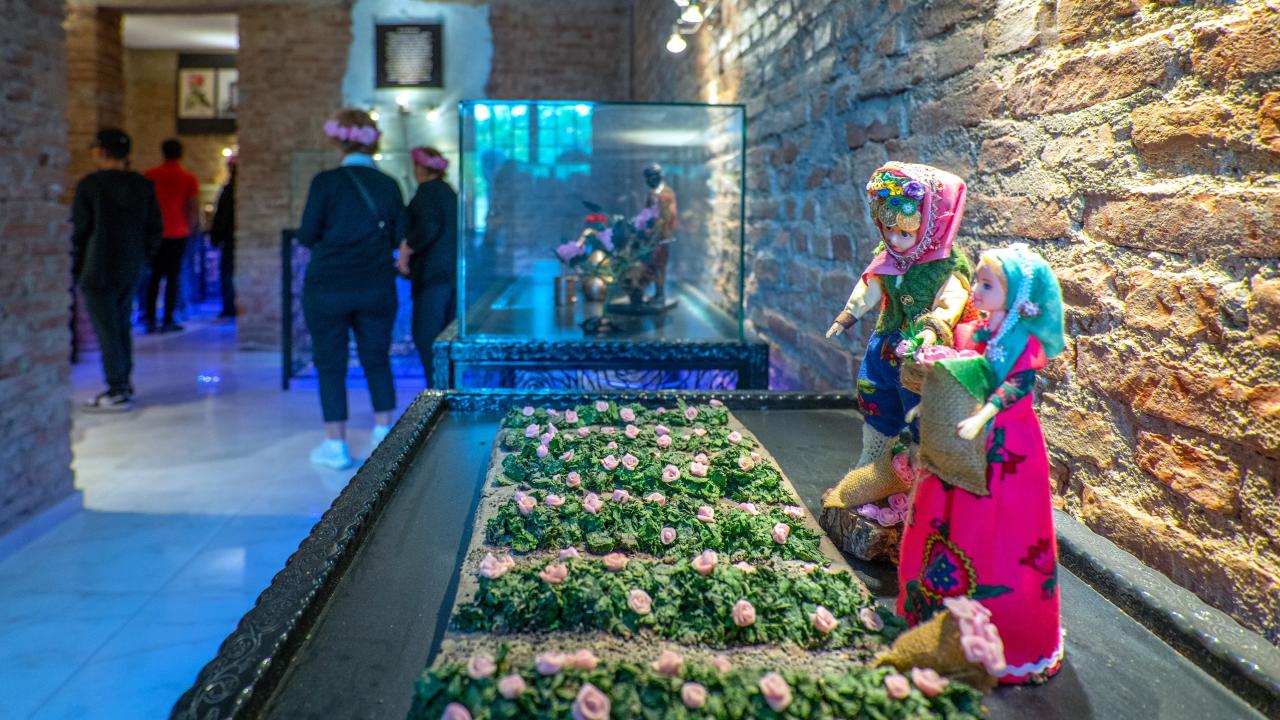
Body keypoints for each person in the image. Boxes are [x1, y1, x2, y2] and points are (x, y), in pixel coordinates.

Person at [887, 244, 1066, 685]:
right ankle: (932, 619)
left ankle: (1001, 635)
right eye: (979, 283)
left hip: (1005, 444)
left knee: (999, 529)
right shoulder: (980, 331)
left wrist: (984, 414)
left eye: (987, 285)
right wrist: (936, 376)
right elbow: (967, 368)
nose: (977, 291)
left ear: (1017, 295)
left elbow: (1016, 386)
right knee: (940, 505)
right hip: (962, 434)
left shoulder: (1021, 342)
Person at [821, 162, 972, 510]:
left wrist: (933, 329)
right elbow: (871, 285)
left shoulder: (946, 265)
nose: (892, 239)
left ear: (933, 224)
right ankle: (874, 459)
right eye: (887, 230)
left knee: (917, 408)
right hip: (887, 340)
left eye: (903, 233)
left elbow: (951, 301)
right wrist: (849, 314)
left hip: (919, 352)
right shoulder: (888, 256)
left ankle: (918, 476)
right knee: (875, 392)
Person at [296, 109, 407, 469]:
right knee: (377, 358)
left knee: (331, 364)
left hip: (328, 287)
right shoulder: (389, 184)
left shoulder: (325, 182)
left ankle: (336, 445)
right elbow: (399, 234)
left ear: (338, 139)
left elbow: (307, 234)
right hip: (376, 285)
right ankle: (384, 433)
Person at [71, 128, 163, 411]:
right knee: (121, 326)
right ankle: (123, 383)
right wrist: (142, 259)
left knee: (107, 330)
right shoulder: (143, 186)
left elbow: (80, 230)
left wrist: (75, 266)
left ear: (100, 151)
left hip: (96, 266)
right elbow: (154, 229)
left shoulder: (90, 185)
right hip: (130, 266)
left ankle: (117, 388)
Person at [397, 146, 457, 386]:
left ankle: (437, 395)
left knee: (426, 338)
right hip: (451, 277)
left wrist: (407, 248)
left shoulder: (427, 192)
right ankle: (445, 391)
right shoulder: (448, 192)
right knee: (444, 340)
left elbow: (428, 227)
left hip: (432, 277)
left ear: (420, 168)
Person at [143, 138, 200, 332]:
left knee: (154, 277)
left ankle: (150, 319)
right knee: (173, 277)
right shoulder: (188, 178)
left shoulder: (151, 176)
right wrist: (190, 229)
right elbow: (192, 207)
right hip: (178, 232)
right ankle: (168, 319)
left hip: (155, 233)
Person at [210, 152, 237, 318]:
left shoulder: (228, 191)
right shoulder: (230, 190)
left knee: (227, 273)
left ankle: (230, 307)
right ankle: (231, 306)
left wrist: (215, 237)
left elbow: (221, 217)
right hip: (232, 239)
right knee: (229, 274)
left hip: (229, 239)